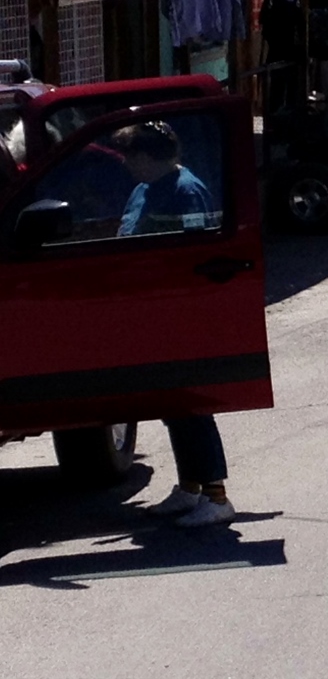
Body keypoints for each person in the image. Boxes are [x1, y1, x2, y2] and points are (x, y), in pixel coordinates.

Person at [114, 121, 233, 527]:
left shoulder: (187, 191)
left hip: (178, 316)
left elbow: (196, 259)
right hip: (151, 315)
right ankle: (190, 488)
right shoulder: (143, 189)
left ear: (147, 157)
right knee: (171, 405)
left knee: (192, 406)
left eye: (130, 155)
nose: (125, 163)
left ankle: (216, 497)